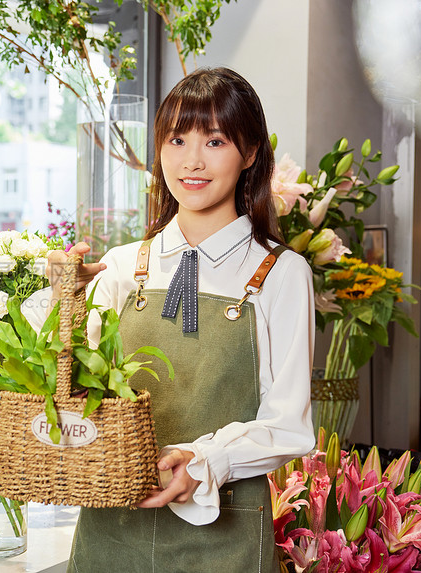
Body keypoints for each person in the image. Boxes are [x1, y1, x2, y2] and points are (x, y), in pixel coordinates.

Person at [22, 67, 315, 572]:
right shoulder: (120, 265)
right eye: (177, 139)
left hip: (226, 543)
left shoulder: (281, 274)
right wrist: (61, 301)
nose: (192, 161)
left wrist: (203, 462)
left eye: (215, 141)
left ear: (249, 155)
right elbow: (60, 387)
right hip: (111, 536)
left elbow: (289, 426)